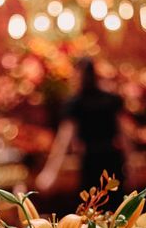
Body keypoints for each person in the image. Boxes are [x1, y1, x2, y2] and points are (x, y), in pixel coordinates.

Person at [35, 57, 132, 193]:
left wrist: (50, 172)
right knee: (117, 207)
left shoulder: (75, 103)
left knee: (92, 207)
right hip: (113, 159)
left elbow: (63, 140)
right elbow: (125, 135)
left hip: (91, 161)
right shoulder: (111, 100)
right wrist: (130, 165)